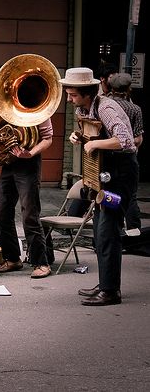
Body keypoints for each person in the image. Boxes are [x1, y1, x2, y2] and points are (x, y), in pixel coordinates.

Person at [63, 67, 138, 306]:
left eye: (73, 94)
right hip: (104, 175)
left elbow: (126, 141)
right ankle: (105, 282)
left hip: (120, 175)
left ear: (87, 93)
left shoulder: (106, 107)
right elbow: (91, 136)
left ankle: (110, 291)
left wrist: (95, 146)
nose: (69, 99)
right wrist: (77, 137)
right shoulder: (84, 108)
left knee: (108, 231)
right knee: (99, 230)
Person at [0, 102, 53, 279]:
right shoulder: (5, 106)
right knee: (3, 212)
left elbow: (48, 138)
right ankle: (12, 258)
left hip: (29, 163)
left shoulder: (40, 110)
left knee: (29, 214)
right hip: (9, 163)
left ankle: (42, 263)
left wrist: (31, 152)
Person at [106, 72, 143, 234]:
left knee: (109, 193)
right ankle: (134, 233)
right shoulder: (135, 109)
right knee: (130, 195)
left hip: (107, 157)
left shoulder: (103, 106)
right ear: (128, 89)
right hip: (127, 158)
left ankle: (114, 229)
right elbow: (138, 138)